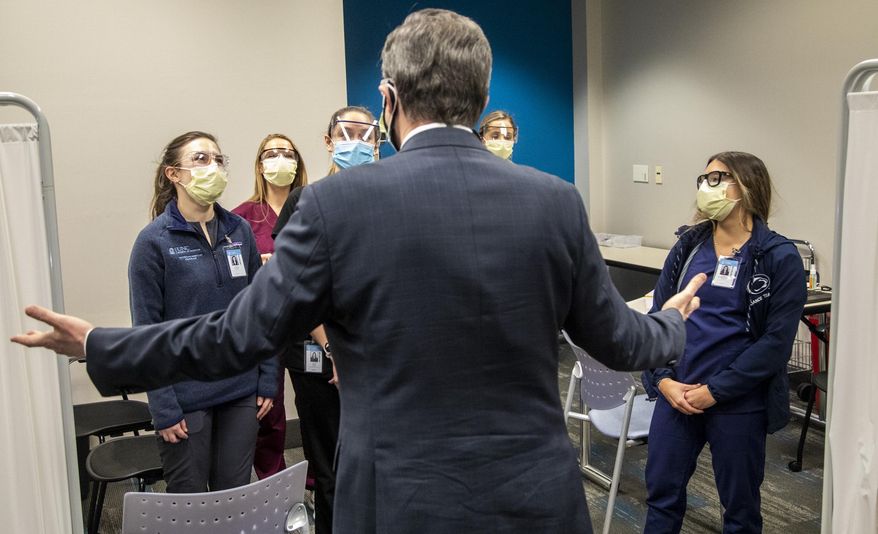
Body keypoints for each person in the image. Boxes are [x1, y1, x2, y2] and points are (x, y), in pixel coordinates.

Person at [13, 9, 705, 533]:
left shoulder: (336, 204)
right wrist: (672, 320)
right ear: (482, 96)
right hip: (537, 497)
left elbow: (233, 336)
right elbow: (620, 342)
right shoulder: (555, 202)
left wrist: (101, 345)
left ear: (388, 98)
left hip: (399, 500)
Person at [641, 152, 807, 533]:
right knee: (661, 496)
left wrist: (715, 391)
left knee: (740, 507)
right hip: (676, 391)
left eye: (718, 178)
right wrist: (663, 381)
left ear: (748, 186)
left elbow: (775, 344)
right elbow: (658, 318)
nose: (706, 186)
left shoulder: (778, 257)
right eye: (703, 178)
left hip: (738, 400)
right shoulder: (688, 247)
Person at [131, 131, 278, 492]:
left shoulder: (238, 230)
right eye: (200, 159)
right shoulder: (154, 242)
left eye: (217, 159)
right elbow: (146, 332)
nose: (213, 166)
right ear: (173, 174)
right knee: (190, 510)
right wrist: (163, 407)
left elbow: (261, 310)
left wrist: (268, 377)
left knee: (234, 500)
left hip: (241, 392)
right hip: (185, 399)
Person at [269, 106, 379, 534]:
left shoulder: (387, 200)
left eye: (367, 134)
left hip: (373, 359)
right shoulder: (305, 201)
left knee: (376, 466)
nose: (358, 140)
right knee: (330, 469)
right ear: (329, 141)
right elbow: (294, 285)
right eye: (347, 132)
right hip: (317, 359)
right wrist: (332, 347)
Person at [232, 133, 309, 480]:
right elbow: (232, 274)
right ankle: (273, 480)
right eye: (272, 153)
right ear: (260, 165)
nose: (280, 159)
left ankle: (316, 477)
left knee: (316, 406)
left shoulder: (313, 204)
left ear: (298, 162)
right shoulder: (240, 218)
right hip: (267, 323)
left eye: (287, 153)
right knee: (270, 409)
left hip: (311, 322)